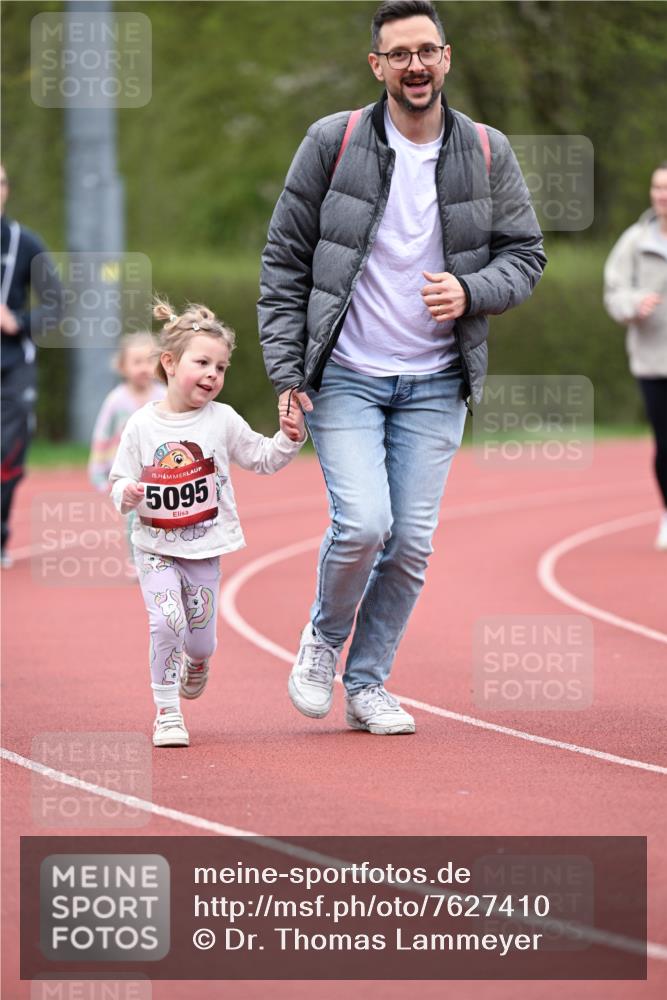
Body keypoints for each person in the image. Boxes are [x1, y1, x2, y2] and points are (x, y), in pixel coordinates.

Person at [258, 0, 546, 735]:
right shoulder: (333, 140)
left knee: (411, 543)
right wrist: (289, 374)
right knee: (362, 525)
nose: (414, 66)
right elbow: (285, 260)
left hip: (435, 382)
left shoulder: (486, 150)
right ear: (377, 65)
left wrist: (471, 290)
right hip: (348, 373)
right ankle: (323, 640)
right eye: (399, 54)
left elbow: (525, 255)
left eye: (426, 51)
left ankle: (368, 683)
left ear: (445, 58)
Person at [109, 300, 306, 748]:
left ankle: (197, 663)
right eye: (202, 363)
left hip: (202, 550)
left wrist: (288, 438)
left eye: (220, 367)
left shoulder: (222, 419)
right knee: (166, 623)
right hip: (155, 546)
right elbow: (118, 477)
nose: (213, 375)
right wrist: (127, 493)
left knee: (200, 642)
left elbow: (261, 456)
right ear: (170, 362)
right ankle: (167, 712)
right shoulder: (141, 425)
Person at [1, 163, 62, 567]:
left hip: (11, 368)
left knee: (7, 453)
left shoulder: (26, 243)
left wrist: (18, 322)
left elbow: (57, 306)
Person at [604, 162, 667, 550]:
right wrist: (633, 304)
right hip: (652, 362)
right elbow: (613, 294)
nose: (663, 196)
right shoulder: (633, 241)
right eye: (658, 188)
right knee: (665, 445)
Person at [89, 332, 166, 493]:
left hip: (162, 472)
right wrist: (98, 472)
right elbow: (102, 435)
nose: (144, 368)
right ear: (122, 366)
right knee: (135, 516)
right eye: (137, 362)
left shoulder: (165, 396)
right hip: (127, 474)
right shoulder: (116, 400)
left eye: (150, 361)